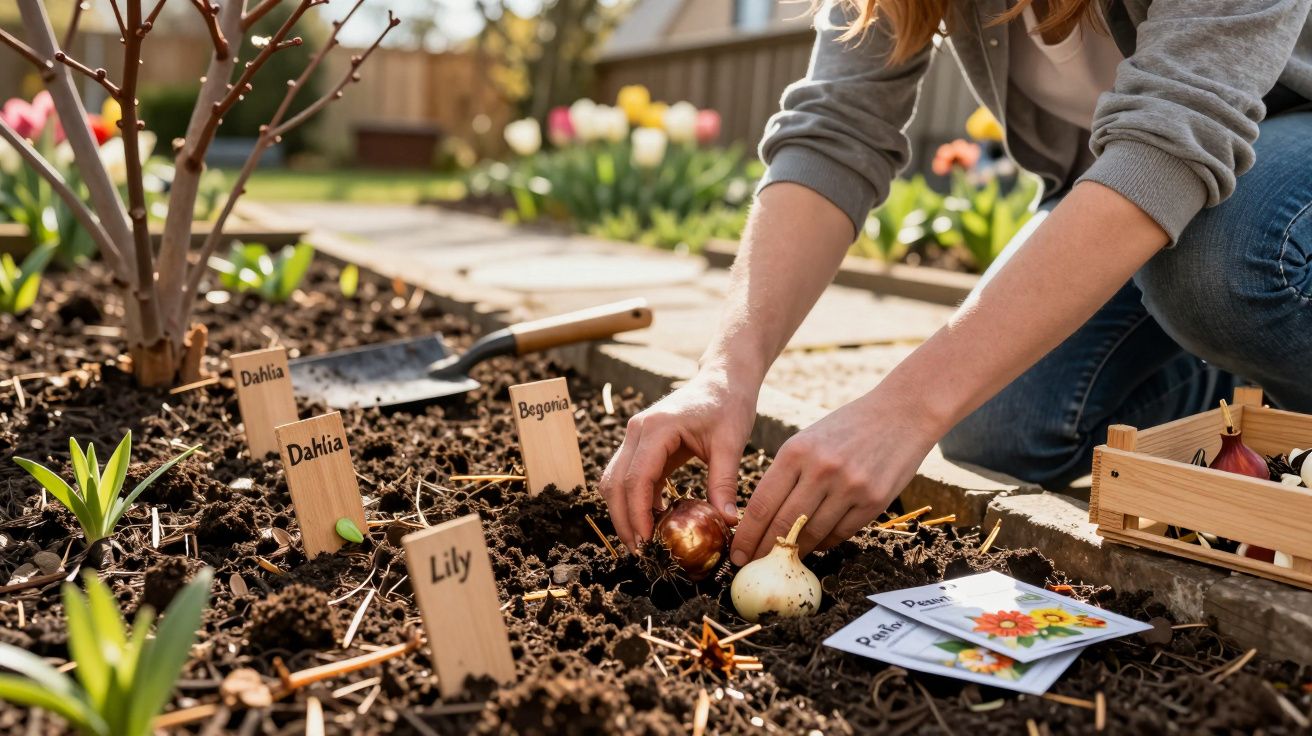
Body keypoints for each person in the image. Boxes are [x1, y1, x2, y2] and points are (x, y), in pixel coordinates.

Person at [600, 0, 1312, 568]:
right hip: (1136, 191)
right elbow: (836, 129)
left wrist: (903, 408)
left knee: (1228, 258)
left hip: (1272, 175)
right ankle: (1230, 375)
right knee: (998, 422)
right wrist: (726, 370)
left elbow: (1170, 144)